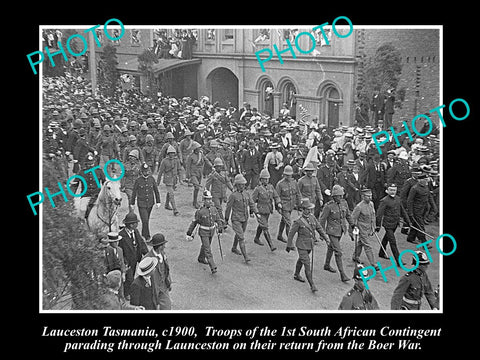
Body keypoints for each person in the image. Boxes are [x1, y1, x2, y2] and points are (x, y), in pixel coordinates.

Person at [286, 198, 329, 293]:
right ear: (303, 209)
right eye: (307, 209)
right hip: (301, 245)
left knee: (301, 260)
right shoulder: (298, 221)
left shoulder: (312, 218)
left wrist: (326, 238)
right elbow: (291, 234)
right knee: (307, 263)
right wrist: (289, 245)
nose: (309, 211)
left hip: (310, 245)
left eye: (310, 209)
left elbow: (319, 228)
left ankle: (296, 274)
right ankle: (312, 284)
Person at [319, 184, 355, 282]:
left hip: (341, 230)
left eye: (342, 195)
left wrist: (353, 225)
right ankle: (342, 274)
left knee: (331, 247)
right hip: (332, 231)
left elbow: (348, 215)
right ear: (334, 196)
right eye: (339, 196)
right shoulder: (328, 206)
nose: (341, 197)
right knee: (338, 252)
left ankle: (326, 265)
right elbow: (322, 220)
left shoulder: (344, 203)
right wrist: (322, 234)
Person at [186, 190, 224, 274]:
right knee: (208, 249)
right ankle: (213, 266)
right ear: (203, 200)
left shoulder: (214, 209)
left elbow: (218, 219)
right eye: (207, 199)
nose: (209, 201)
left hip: (212, 231)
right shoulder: (200, 211)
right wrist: (189, 232)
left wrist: (220, 228)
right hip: (203, 232)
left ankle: (201, 258)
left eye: (210, 199)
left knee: (206, 246)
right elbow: (194, 222)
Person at [225, 174, 258, 263]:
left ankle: (234, 248)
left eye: (244, 184)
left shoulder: (246, 193)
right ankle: (246, 256)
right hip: (236, 219)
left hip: (244, 218)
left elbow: (251, 203)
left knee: (239, 234)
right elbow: (228, 208)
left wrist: (256, 213)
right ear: (237, 185)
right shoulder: (233, 195)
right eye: (241, 184)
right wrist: (226, 219)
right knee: (241, 237)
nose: (243, 186)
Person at [376, 183, 410, 265]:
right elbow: (379, 214)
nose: (392, 192)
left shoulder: (398, 199)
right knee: (393, 242)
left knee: (386, 238)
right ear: (387, 191)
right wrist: (378, 225)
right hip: (388, 224)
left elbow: (403, 211)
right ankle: (399, 261)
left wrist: (408, 222)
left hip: (395, 223)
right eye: (391, 190)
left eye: (394, 190)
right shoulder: (384, 201)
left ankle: (381, 253)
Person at [118, 212, 148, 299]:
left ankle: (128, 291)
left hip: (135, 259)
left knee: (133, 275)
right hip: (127, 262)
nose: (137, 224)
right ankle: (126, 293)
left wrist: (147, 254)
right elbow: (120, 251)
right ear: (131, 225)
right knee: (129, 278)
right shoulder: (121, 235)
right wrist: (124, 262)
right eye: (136, 223)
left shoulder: (136, 231)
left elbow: (141, 243)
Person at [251, 169, 281, 251]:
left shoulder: (271, 187)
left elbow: (276, 196)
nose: (266, 180)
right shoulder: (257, 189)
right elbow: (252, 201)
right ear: (261, 180)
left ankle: (256, 238)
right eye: (264, 179)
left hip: (268, 210)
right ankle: (271, 245)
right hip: (260, 210)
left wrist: (278, 203)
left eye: (267, 179)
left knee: (262, 225)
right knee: (265, 227)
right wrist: (251, 211)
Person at [131, 163, 161, 242]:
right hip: (141, 204)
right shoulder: (138, 180)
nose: (146, 173)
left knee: (146, 220)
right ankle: (147, 237)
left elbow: (156, 191)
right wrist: (132, 203)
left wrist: (158, 201)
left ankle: (143, 236)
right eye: (144, 171)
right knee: (145, 220)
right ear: (141, 172)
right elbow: (134, 192)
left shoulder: (152, 179)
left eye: (147, 171)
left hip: (150, 203)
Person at [144, 233, 172, 309]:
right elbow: (143, 276)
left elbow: (166, 269)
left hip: (163, 287)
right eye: (163, 245)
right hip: (153, 289)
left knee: (167, 306)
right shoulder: (147, 258)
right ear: (159, 246)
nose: (165, 246)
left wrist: (169, 281)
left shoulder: (163, 254)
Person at [351, 189, 378, 269]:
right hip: (362, 228)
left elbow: (373, 216)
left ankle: (355, 256)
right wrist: (352, 229)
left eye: (371, 196)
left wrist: (374, 227)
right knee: (367, 245)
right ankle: (373, 264)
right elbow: (352, 218)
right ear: (363, 197)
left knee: (361, 242)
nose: (370, 197)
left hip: (368, 227)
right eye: (368, 196)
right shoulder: (359, 207)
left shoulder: (371, 204)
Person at [275, 165, 302, 243]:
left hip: (291, 205)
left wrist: (299, 203)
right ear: (284, 174)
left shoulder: (294, 183)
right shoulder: (280, 184)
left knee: (284, 221)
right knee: (288, 223)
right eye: (286, 175)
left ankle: (279, 235)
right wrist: (278, 206)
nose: (288, 176)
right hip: (284, 206)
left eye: (289, 175)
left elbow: (298, 193)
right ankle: (290, 243)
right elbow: (276, 196)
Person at [204, 157, 233, 229]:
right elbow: (207, 185)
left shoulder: (224, 174)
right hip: (215, 195)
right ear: (215, 167)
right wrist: (206, 194)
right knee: (219, 209)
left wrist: (232, 189)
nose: (219, 168)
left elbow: (228, 182)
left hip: (222, 194)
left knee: (217, 209)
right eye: (218, 167)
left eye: (220, 166)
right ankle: (222, 223)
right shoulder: (212, 175)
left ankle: (216, 220)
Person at [157, 145, 181, 216]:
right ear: (168, 154)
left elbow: (179, 170)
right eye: (170, 153)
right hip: (167, 179)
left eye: (173, 153)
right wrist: (157, 182)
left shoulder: (176, 160)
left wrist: (181, 179)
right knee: (171, 194)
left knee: (170, 192)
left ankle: (167, 205)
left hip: (174, 179)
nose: (172, 155)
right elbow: (160, 172)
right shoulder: (164, 161)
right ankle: (175, 210)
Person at [406, 173, 430, 245]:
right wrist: (410, 212)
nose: (426, 181)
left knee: (415, 224)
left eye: (426, 179)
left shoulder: (426, 187)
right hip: (416, 210)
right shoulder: (414, 188)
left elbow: (428, 197)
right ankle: (424, 242)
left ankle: (410, 238)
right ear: (420, 180)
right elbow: (409, 201)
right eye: (424, 180)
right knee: (420, 225)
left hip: (423, 209)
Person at [102, 232, 127, 299]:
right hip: (111, 277)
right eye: (114, 242)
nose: (116, 243)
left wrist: (123, 273)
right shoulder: (108, 251)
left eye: (117, 241)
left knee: (121, 294)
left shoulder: (120, 250)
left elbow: (122, 262)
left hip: (119, 275)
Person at [185, 141, 204, 209]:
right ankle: (195, 202)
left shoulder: (201, 154)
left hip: (199, 173)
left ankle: (194, 200)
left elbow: (206, 160)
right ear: (195, 149)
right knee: (197, 187)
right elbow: (188, 167)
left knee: (197, 189)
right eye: (198, 148)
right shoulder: (190, 156)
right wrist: (188, 176)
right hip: (193, 174)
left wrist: (211, 166)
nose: (199, 149)